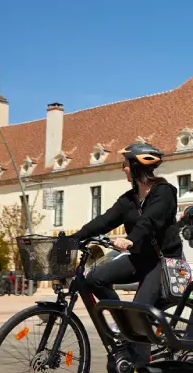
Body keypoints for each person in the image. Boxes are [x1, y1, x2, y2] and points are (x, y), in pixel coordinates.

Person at [71, 143, 182, 361]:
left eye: (126, 164)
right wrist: (74, 237)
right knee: (95, 279)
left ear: (137, 166)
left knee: (139, 311)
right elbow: (104, 220)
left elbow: (150, 221)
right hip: (141, 260)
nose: (123, 169)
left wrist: (131, 240)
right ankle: (123, 322)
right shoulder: (128, 199)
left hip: (164, 261)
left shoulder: (164, 192)